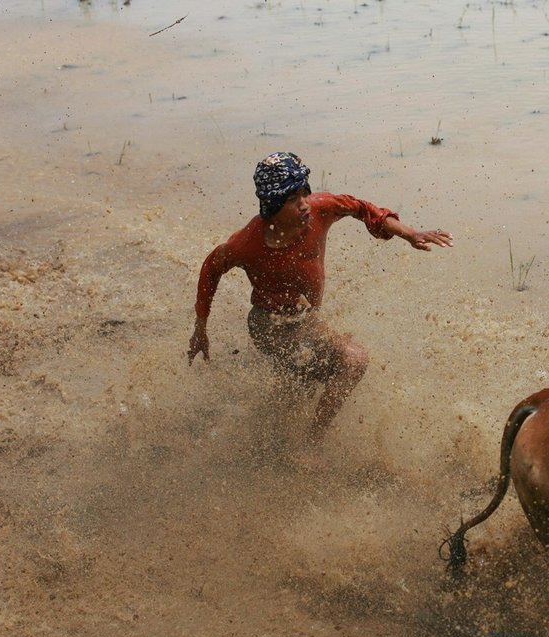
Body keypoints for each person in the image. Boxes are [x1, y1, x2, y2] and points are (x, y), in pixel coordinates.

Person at [187, 152, 452, 442]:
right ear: (272, 204)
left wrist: (410, 234)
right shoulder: (247, 243)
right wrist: (201, 328)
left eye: (305, 193)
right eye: (292, 199)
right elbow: (211, 268)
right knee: (353, 361)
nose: (304, 205)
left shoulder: (320, 209)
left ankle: (273, 425)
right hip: (267, 324)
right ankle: (311, 444)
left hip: (306, 318)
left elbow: (363, 209)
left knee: (305, 379)